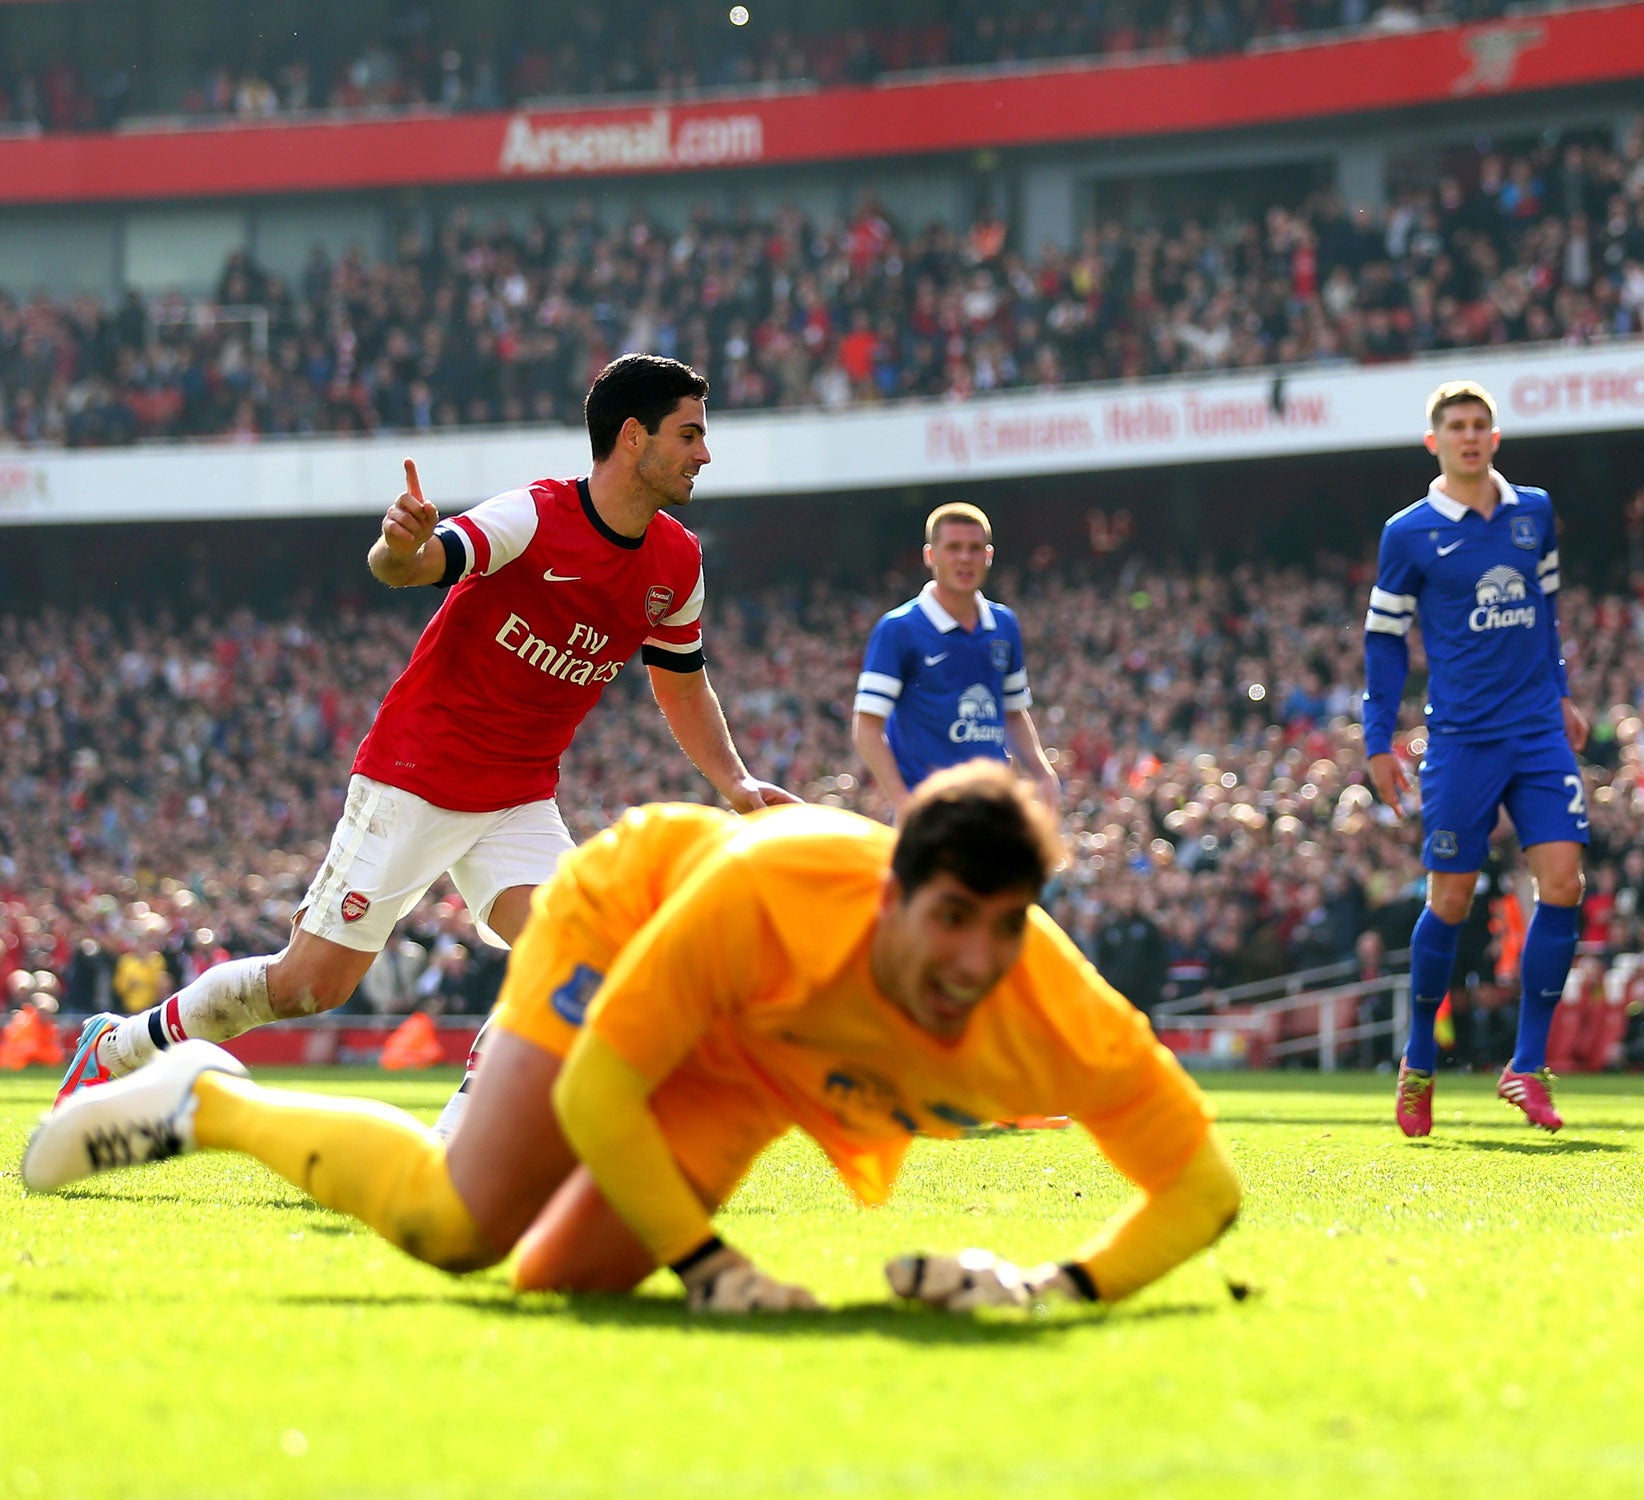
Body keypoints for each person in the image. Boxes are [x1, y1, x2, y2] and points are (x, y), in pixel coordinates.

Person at [24, 764, 1241, 1313]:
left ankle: (203, 1093)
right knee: (462, 1229)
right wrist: (714, 1269)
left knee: (569, 1283)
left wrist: (1048, 1288)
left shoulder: (1057, 1005)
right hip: (637, 918)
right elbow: (602, 1084)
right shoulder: (764, 884)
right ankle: (204, 1101)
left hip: (758, 1054)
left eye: (1003, 927)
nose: (975, 962)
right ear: (890, 895)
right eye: (950, 919)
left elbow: (1200, 1193)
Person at [57, 354, 795, 1121]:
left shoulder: (677, 561)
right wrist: (401, 544)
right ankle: (118, 1047)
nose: (704, 454)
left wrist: (735, 782)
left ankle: (457, 1142)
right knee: (308, 988)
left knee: (582, 956)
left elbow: (680, 680)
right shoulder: (534, 516)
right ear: (634, 437)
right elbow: (409, 567)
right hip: (416, 777)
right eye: (690, 435)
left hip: (518, 797)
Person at [1361, 380, 1589, 1137]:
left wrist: (1560, 692)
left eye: (1479, 425)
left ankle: (1526, 1067)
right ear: (1435, 442)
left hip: (1535, 730)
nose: (1468, 436)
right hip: (1459, 739)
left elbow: (1548, 613)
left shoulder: (1535, 512)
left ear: (1496, 438)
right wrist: (1376, 739)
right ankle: (1420, 1056)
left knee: (1562, 881)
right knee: (1450, 902)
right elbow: (1384, 641)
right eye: (1455, 426)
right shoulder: (1410, 533)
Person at [853, 503, 1060, 818]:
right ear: (930, 555)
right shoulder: (899, 629)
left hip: (994, 810)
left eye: (974, 548)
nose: (965, 558)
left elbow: (1013, 713)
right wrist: (903, 801)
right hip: (931, 815)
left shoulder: (1004, 624)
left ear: (988, 555)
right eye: (953, 548)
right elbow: (867, 728)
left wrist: (1042, 773)